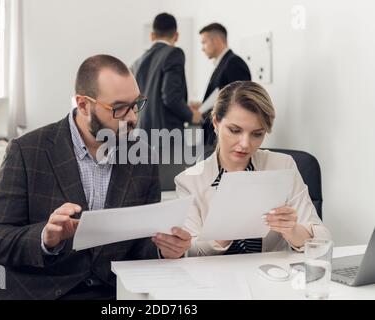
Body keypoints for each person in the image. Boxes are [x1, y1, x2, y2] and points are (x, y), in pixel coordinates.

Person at [0, 54, 192, 300]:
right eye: (119, 108)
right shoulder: (28, 151)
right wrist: (45, 238)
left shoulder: (141, 155)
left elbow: (140, 243)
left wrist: (165, 249)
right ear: (82, 104)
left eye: (136, 104)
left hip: (112, 292)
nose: (132, 117)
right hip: (42, 291)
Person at [176, 81, 331, 257]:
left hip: (270, 276)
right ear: (216, 122)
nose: (245, 144)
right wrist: (222, 234)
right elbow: (189, 252)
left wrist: (293, 231)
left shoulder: (283, 166)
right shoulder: (189, 181)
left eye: (257, 134)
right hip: (214, 279)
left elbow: (323, 238)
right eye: (235, 130)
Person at [131, 13, 202, 144]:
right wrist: (192, 115)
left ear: (152, 36)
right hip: (167, 138)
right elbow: (171, 97)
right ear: (176, 36)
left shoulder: (136, 63)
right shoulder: (174, 53)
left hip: (141, 137)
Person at [191, 23, 251, 147]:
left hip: (225, 137)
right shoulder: (223, 63)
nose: (202, 48)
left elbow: (239, 102)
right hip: (215, 133)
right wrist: (203, 106)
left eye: (204, 42)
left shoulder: (234, 63)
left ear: (217, 40)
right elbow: (222, 96)